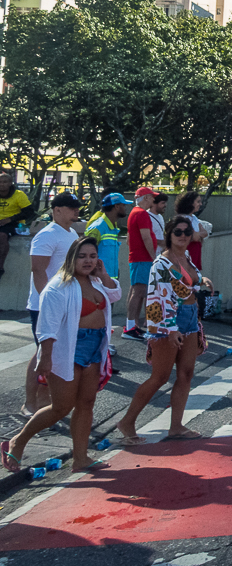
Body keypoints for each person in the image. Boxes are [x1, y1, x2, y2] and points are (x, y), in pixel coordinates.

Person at [2, 236, 121, 474]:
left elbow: (115, 294)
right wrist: (45, 358)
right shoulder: (58, 286)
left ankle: (81, 458)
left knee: (87, 403)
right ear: (71, 258)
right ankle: (19, 441)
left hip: (94, 348)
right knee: (61, 407)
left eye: (92, 256)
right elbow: (46, 327)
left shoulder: (96, 282)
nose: (88, 261)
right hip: (67, 349)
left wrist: (104, 274)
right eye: (82, 256)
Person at [115, 215, 214, 445]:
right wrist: (170, 329)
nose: (183, 236)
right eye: (177, 232)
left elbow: (190, 281)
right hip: (169, 322)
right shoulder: (161, 264)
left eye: (187, 232)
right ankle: (127, 421)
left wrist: (202, 280)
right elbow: (158, 299)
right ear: (169, 235)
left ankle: (176, 427)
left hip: (189, 319)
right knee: (159, 377)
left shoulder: (185, 256)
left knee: (186, 374)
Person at [23, 192, 82, 416]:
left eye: (77, 206)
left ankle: (47, 403)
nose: (76, 210)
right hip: (44, 306)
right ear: (57, 210)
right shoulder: (46, 235)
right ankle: (30, 403)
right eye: (71, 207)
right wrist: (48, 302)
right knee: (42, 352)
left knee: (56, 353)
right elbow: (38, 270)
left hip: (67, 304)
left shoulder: (72, 233)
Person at [123, 187, 158, 341]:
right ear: (145, 198)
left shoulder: (134, 213)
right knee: (138, 292)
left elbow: (128, 239)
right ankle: (130, 327)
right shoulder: (142, 214)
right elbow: (146, 237)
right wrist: (153, 257)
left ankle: (133, 326)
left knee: (136, 291)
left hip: (138, 258)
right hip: (142, 258)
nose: (153, 200)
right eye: (151, 197)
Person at [84, 192, 131, 280]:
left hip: (111, 279)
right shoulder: (97, 228)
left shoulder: (113, 227)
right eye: (123, 205)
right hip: (99, 281)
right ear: (116, 206)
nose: (125, 208)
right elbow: (85, 254)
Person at [0, 173, 36, 279]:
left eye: (5, 182)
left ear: (10, 184)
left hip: (13, 223)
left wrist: (10, 219)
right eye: (0, 182)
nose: (2, 184)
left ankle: (0, 267)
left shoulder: (19, 195)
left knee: (1, 236)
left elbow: (29, 212)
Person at [174, 192, 210, 270]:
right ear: (190, 202)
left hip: (195, 254)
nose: (200, 204)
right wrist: (199, 235)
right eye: (198, 201)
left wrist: (198, 234)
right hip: (185, 255)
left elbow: (205, 233)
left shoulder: (194, 218)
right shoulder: (182, 219)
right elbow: (195, 237)